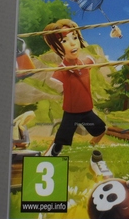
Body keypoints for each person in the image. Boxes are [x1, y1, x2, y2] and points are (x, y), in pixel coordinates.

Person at [42, 19, 106, 156]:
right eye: (64, 41)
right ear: (55, 47)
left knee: (101, 129)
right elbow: (54, 81)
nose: (72, 43)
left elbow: (92, 60)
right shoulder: (61, 70)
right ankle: (49, 156)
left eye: (75, 37)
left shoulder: (86, 62)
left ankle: (92, 146)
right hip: (71, 112)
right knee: (61, 139)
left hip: (87, 109)